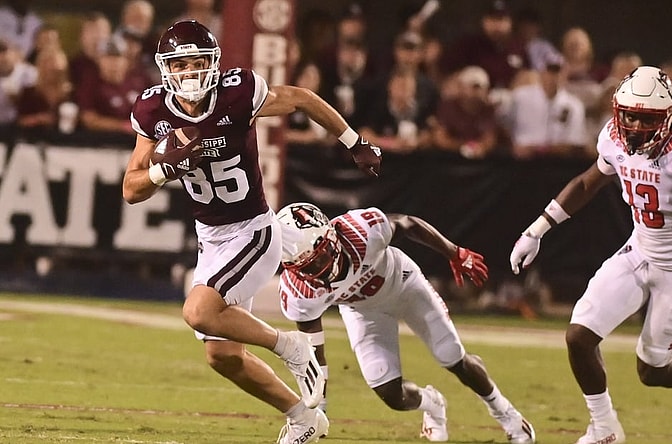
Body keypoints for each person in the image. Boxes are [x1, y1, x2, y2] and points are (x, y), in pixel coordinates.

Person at [121, 20, 381, 444]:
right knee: (222, 356)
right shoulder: (153, 111)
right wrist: (164, 168)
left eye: (198, 62)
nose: (189, 72)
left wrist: (354, 142)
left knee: (197, 311)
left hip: (254, 231)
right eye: (180, 64)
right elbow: (131, 189)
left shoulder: (237, 93)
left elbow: (301, 99)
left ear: (214, 64)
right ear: (165, 69)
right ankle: (303, 418)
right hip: (210, 239)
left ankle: (292, 347)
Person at [509, 66, 672, 444]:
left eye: (643, 118)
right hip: (639, 250)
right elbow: (585, 183)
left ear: (665, 119)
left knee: (651, 370)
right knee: (579, 336)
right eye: (627, 114)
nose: (631, 124)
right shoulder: (613, 137)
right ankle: (604, 427)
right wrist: (537, 229)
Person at [276, 202, 536, 444]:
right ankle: (432, 403)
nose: (319, 270)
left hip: (404, 285)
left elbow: (408, 224)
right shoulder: (299, 291)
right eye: (308, 267)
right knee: (391, 393)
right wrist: (320, 408)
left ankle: (507, 415)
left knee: (452, 355)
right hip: (364, 311)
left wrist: (454, 253)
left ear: (331, 236)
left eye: (320, 257)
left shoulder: (362, 231)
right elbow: (313, 352)